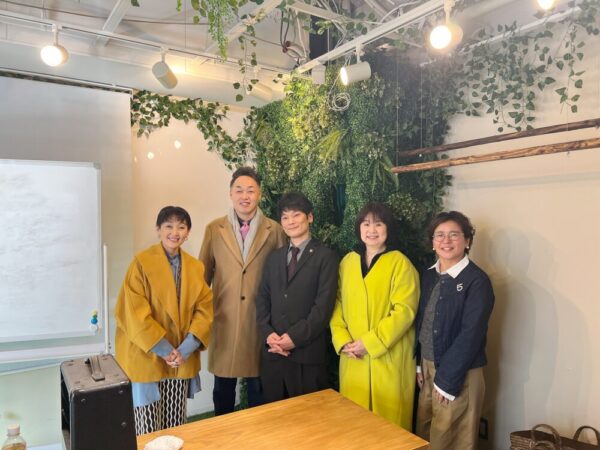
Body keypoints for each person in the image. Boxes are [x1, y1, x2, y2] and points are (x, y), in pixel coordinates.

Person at [114, 206, 213, 435]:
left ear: (188, 233)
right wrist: (165, 350)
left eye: (181, 227)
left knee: (176, 424)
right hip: (147, 354)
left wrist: (185, 349)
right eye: (169, 226)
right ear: (158, 229)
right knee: (148, 427)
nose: (174, 232)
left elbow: (204, 310)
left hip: (180, 356)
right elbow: (134, 313)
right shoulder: (141, 263)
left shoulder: (196, 267)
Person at [199, 167, 286, 415]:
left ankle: (257, 435)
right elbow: (202, 278)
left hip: (260, 321)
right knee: (222, 390)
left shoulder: (274, 230)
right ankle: (222, 434)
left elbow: (281, 280)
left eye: (250, 190)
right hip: (224, 319)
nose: (244, 196)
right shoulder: (214, 229)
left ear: (259, 194)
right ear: (230, 193)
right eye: (239, 190)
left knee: (259, 389)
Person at [330, 202, 419, 430]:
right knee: (355, 427)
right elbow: (336, 303)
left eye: (378, 224)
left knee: (389, 429)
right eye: (366, 224)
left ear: (388, 228)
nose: (372, 230)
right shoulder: (347, 262)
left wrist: (369, 343)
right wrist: (343, 341)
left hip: (388, 359)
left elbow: (404, 311)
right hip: (353, 357)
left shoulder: (400, 263)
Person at [415, 211, 495, 450]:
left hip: (459, 373)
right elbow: (423, 321)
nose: (446, 241)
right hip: (428, 368)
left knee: (450, 441)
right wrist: (419, 364)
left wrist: (447, 381)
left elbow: (472, 334)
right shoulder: (428, 275)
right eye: (439, 235)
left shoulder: (477, 281)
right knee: (424, 435)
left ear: (467, 240)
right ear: (432, 242)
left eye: (454, 235)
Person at [256, 192, 339, 402]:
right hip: (274, 354)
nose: (290, 221)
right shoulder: (274, 258)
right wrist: (268, 334)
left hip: (307, 356)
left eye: (296, 215)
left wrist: (294, 338)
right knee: (274, 416)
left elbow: (323, 308)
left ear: (309, 217)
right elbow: (262, 299)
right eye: (285, 217)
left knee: (308, 417)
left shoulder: (326, 257)